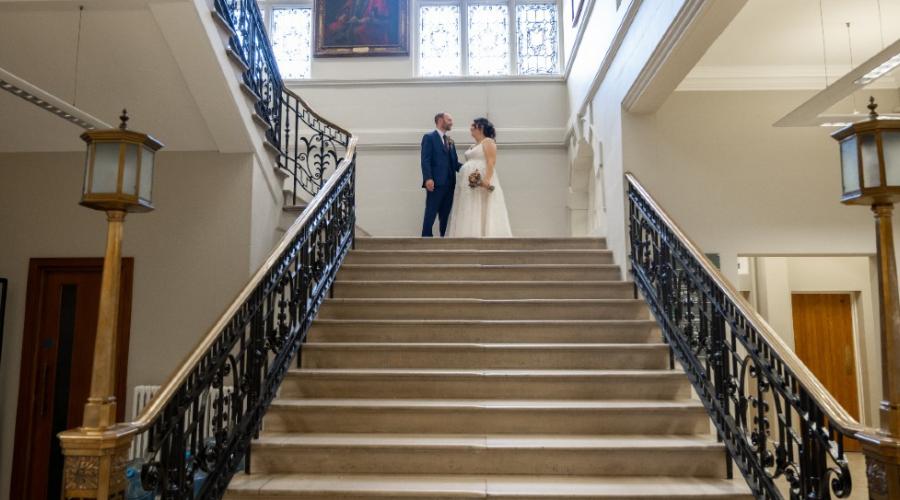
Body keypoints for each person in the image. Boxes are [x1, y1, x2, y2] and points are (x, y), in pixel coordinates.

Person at [446, 118, 513, 238]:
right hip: (468, 184)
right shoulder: (473, 145)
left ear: (481, 127)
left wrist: (487, 179)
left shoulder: (488, 142)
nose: (471, 128)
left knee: (480, 205)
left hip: (481, 180)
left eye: (473, 126)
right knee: (469, 206)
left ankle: (483, 234)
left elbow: (491, 161)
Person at [420, 112, 463, 237]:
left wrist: (470, 168)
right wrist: (428, 178)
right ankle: (426, 239)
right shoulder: (429, 137)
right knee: (431, 212)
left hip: (450, 185)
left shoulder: (450, 141)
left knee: (446, 215)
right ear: (440, 120)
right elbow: (425, 159)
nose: (451, 122)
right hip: (435, 183)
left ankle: (444, 239)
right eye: (449, 120)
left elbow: (454, 163)